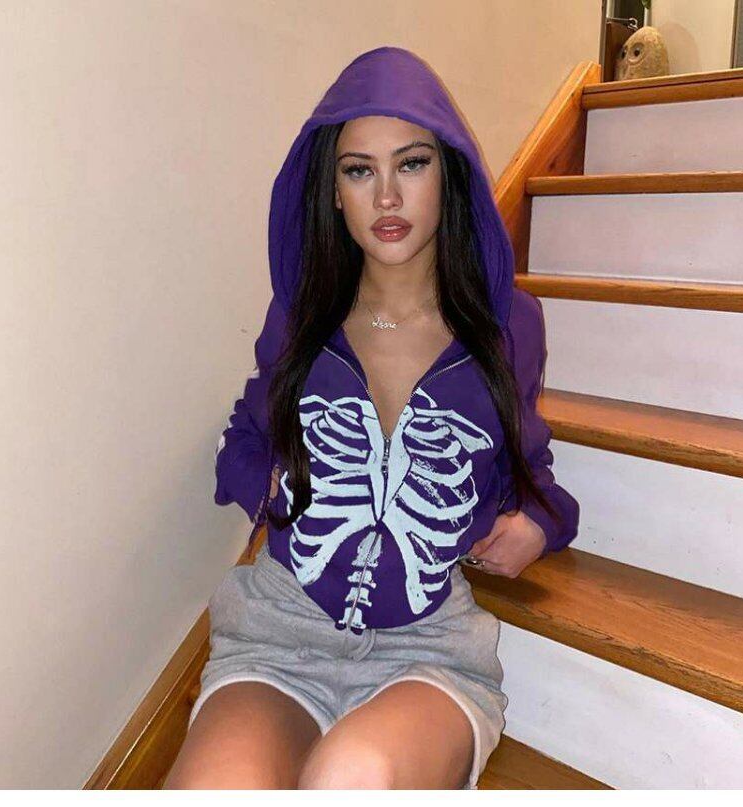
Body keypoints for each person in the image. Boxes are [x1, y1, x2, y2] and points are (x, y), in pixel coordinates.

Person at [165, 45, 580, 790]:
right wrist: (269, 487)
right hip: (280, 632)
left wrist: (539, 527)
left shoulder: (510, 325)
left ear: (449, 174)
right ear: (332, 191)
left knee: (350, 776)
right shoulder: (299, 314)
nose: (387, 195)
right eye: (359, 170)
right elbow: (244, 439)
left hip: (427, 649)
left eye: (411, 164)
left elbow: (536, 476)